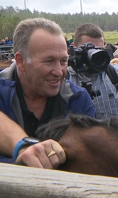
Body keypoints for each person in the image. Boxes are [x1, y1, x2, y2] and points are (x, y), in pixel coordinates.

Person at [0, 18, 96, 165]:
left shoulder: (79, 100)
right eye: (49, 61)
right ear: (21, 61)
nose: (59, 72)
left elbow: (88, 162)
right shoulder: (2, 92)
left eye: (63, 61)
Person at [67, 23, 118, 120]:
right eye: (89, 50)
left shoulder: (116, 73)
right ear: (74, 48)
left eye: (99, 50)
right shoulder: (65, 78)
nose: (94, 55)